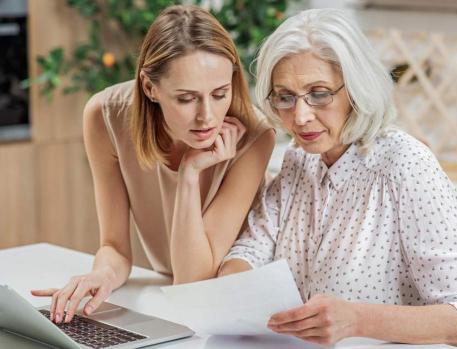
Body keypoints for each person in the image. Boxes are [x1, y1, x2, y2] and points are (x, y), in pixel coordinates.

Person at [217, 8, 457, 348]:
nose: (301, 116)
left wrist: (357, 319)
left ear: (355, 88)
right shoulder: (298, 160)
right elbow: (251, 248)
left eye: (319, 93)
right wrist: (232, 290)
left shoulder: (406, 166)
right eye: (285, 97)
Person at [31, 5, 275, 324]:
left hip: (231, 307)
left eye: (220, 93)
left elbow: (194, 283)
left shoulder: (254, 136)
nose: (208, 116)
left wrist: (189, 174)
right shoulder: (106, 118)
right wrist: (102, 274)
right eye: (186, 98)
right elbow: (115, 247)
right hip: (169, 298)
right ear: (149, 87)